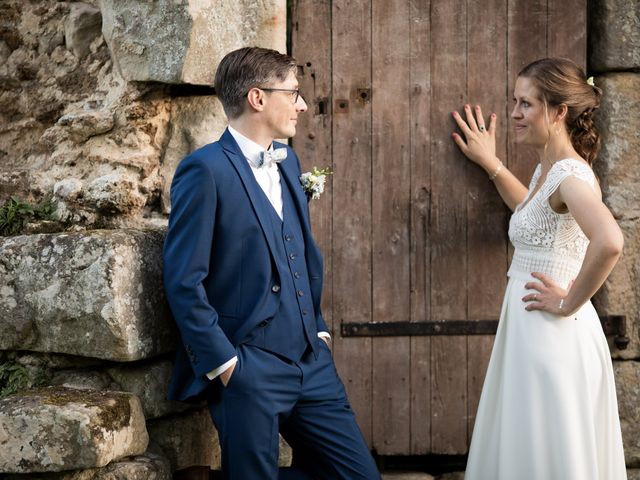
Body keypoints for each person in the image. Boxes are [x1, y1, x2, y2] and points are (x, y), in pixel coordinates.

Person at [163, 46, 380, 480]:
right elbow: (184, 280)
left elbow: (297, 251)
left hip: (311, 360)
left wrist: (317, 329)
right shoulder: (204, 171)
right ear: (257, 98)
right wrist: (226, 366)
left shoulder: (288, 161)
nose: (301, 104)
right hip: (248, 366)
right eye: (293, 92)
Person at [451, 57, 627, 479]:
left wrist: (568, 302)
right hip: (531, 334)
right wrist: (490, 163)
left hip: (555, 338)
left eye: (526, 104)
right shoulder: (547, 171)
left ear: (559, 111)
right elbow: (531, 215)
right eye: (515, 102)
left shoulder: (570, 175)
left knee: (552, 454)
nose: (514, 113)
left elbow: (610, 241)